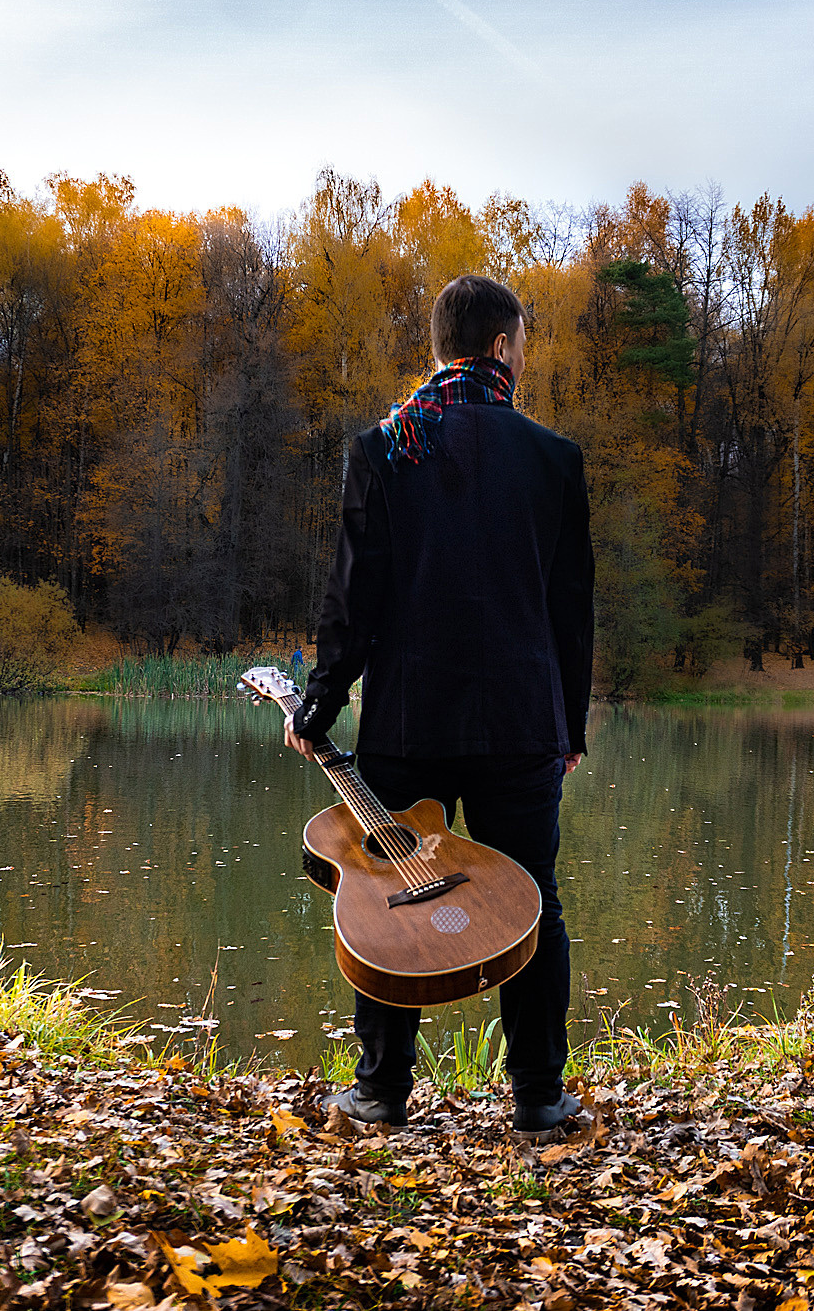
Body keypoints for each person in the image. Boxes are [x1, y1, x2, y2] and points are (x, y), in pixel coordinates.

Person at [285, 273, 593, 1140]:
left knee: (387, 899)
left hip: (407, 720)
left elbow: (353, 597)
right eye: (521, 342)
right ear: (500, 345)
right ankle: (538, 1097)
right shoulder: (553, 458)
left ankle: (382, 1091)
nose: (522, 356)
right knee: (533, 901)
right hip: (520, 721)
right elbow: (570, 609)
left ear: (439, 349)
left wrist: (320, 702)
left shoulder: (387, 447)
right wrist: (569, 723)